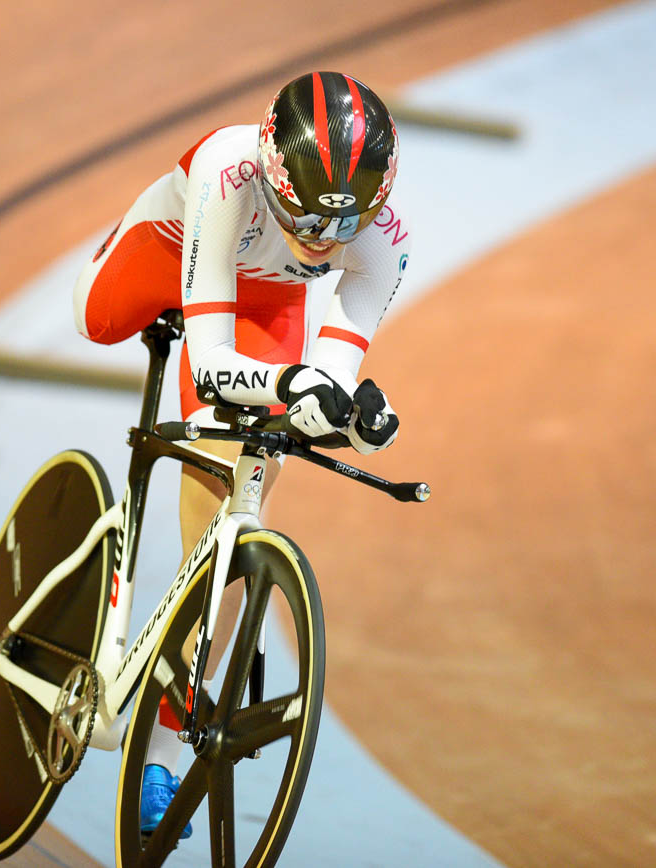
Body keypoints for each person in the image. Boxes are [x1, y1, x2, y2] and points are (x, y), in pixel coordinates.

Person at [73, 70, 408, 838]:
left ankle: (159, 753)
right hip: (176, 255)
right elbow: (215, 361)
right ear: (270, 170)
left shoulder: (388, 243)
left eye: (339, 231)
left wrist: (358, 418)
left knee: (239, 494)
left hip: (266, 309)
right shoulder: (230, 168)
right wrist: (297, 385)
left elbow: (328, 379)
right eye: (303, 220)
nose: (319, 243)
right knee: (92, 319)